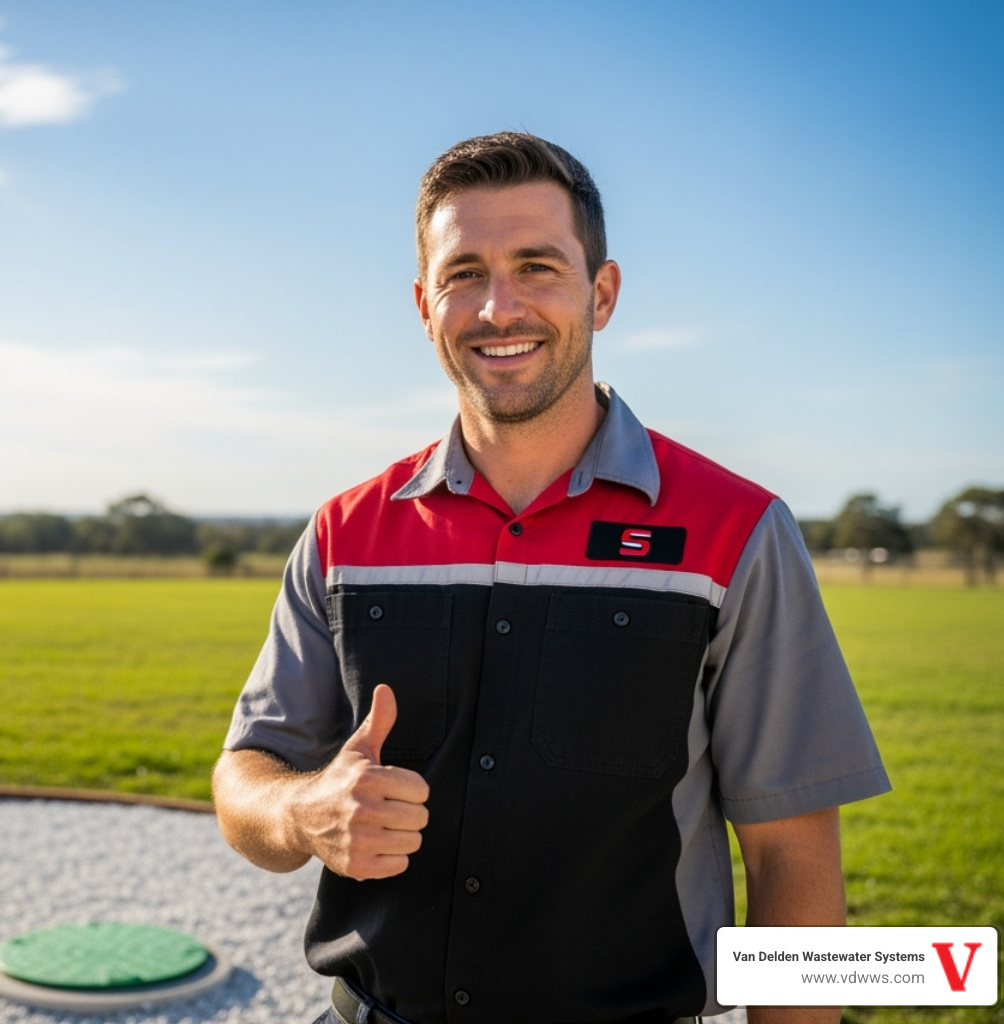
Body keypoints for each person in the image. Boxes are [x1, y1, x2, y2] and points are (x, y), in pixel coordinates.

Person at [211, 132, 890, 1024]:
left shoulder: (737, 531)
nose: (499, 307)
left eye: (537, 267)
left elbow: (792, 858)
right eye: (464, 273)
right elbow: (244, 778)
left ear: (600, 294)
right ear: (424, 304)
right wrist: (304, 811)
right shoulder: (345, 534)